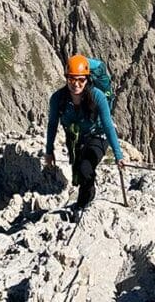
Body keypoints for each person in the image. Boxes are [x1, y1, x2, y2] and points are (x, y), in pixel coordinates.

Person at [45, 54, 124, 210]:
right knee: (79, 172)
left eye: (81, 79)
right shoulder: (58, 98)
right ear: (67, 78)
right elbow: (52, 124)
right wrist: (49, 151)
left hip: (98, 135)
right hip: (76, 137)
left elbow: (108, 126)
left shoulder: (97, 96)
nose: (76, 84)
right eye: (72, 79)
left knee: (86, 168)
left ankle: (83, 203)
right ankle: (85, 194)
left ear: (87, 79)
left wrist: (118, 155)